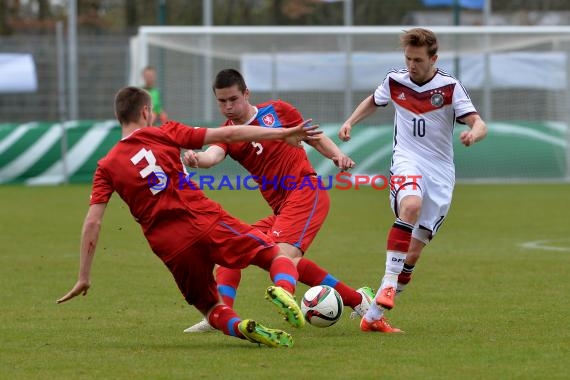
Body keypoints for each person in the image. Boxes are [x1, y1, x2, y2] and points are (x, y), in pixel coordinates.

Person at [57, 86, 324, 348]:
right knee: (274, 255)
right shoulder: (165, 132)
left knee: (211, 308)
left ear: (119, 117)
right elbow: (230, 133)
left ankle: (241, 328)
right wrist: (284, 132)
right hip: (203, 219)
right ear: (147, 112)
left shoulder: (106, 166)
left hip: (169, 246)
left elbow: (93, 221)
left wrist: (83, 276)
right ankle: (284, 290)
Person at [183, 68, 381, 334]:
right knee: (232, 253)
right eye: (222, 101)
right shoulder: (227, 134)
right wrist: (197, 160)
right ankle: (219, 315)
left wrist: (336, 155)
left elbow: (312, 135)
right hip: (281, 209)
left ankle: (285, 294)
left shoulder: (277, 111)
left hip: (305, 192)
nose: (228, 106)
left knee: (283, 256)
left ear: (246, 94)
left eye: (233, 99)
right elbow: (212, 156)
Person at [339, 28, 488, 333]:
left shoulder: (449, 86)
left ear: (433, 58)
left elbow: (478, 121)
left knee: (414, 253)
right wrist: (350, 121)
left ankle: (373, 315)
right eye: (408, 58)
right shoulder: (395, 80)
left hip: (441, 172)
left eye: (418, 60)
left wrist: (474, 133)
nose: (411, 65)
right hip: (407, 160)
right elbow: (373, 100)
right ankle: (389, 284)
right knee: (410, 205)